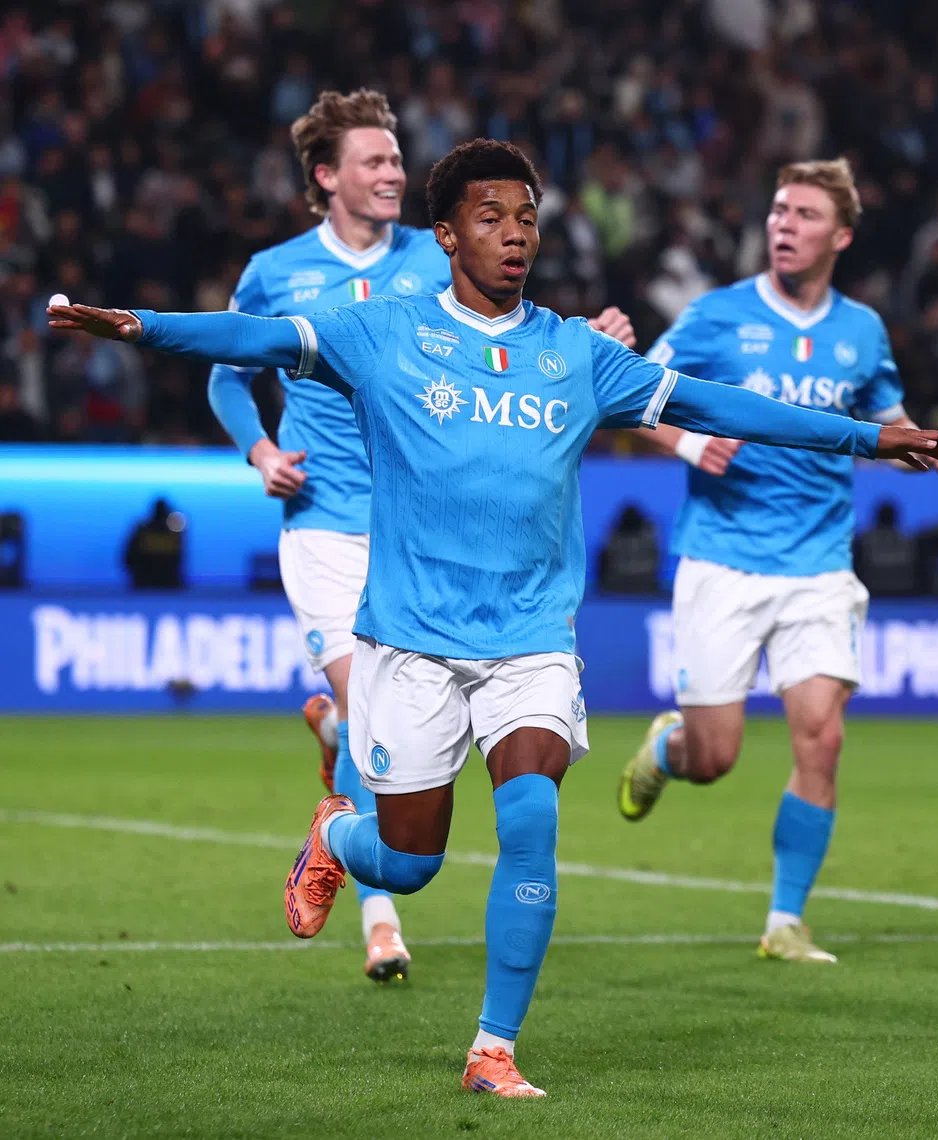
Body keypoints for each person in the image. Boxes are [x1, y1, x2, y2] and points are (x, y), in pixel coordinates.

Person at [48, 139, 938, 1098]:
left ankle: (494, 1048)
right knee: (407, 862)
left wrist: (869, 438)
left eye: (526, 218)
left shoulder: (575, 354)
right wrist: (139, 328)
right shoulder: (382, 331)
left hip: (530, 641)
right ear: (445, 235)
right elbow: (256, 341)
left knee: (531, 820)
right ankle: (336, 839)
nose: (514, 236)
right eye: (490, 218)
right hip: (412, 642)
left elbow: (718, 402)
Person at [206, 90, 634, 985]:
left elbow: (511, 348)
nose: (393, 172)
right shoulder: (277, 269)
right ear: (327, 177)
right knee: (369, 705)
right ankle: (380, 920)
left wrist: (591, 347)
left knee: (380, 735)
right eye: (373, 160)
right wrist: (258, 448)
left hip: (425, 533)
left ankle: (353, 829)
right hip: (326, 525)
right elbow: (229, 373)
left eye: (399, 159)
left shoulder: (438, 255)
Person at [617, 158, 938, 966]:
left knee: (823, 740)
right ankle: (670, 750)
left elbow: (886, 420)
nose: (784, 225)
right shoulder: (715, 317)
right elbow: (630, 395)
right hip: (724, 561)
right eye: (777, 211)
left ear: (839, 235)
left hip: (819, 564)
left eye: (804, 214)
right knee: (717, 758)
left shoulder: (862, 331)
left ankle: (784, 921)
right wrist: (691, 441)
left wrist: (919, 448)